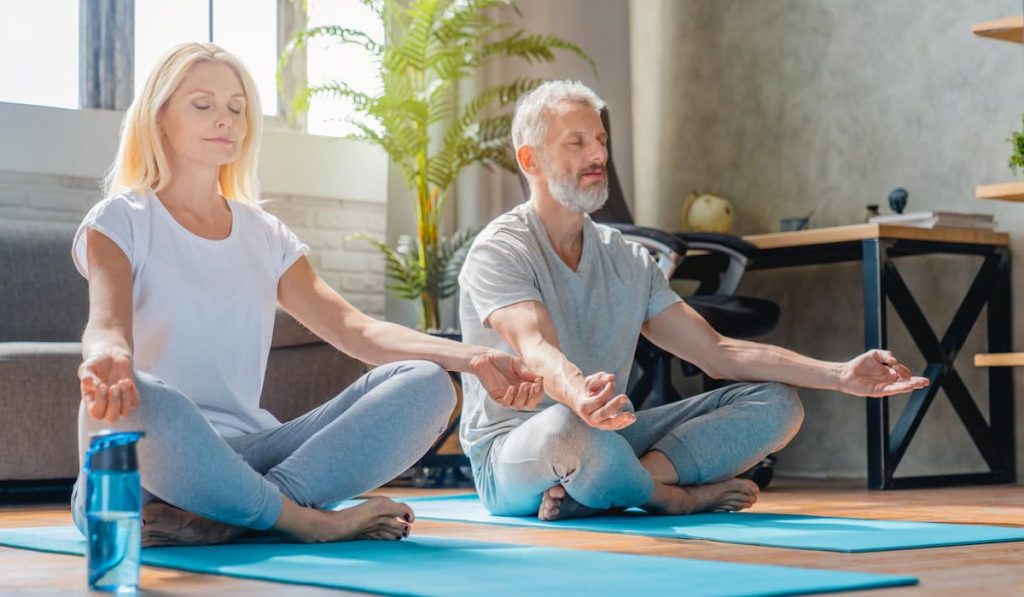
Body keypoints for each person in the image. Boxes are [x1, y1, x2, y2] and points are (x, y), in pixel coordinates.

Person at [71, 42, 542, 547]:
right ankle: (305, 520)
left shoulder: (264, 234)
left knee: (427, 384)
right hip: (152, 464)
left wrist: (472, 358)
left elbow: (356, 331)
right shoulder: (122, 218)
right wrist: (108, 355)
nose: (225, 119)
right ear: (159, 117)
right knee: (137, 403)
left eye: (237, 107)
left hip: (250, 453)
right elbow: (107, 323)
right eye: (203, 104)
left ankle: (238, 516)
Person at [457, 80, 929, 521]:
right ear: (530, 159)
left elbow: (717, 353)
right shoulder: (502, 249)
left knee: (778, 403)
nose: (598, 153)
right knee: (568, 429)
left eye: (600, 140)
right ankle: (669, 497)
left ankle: (609, 487)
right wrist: (581, 395)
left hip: (609, 436)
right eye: (576, 142)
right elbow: (537, 349)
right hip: (516, 451)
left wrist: (840, 375)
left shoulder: (629, 259)